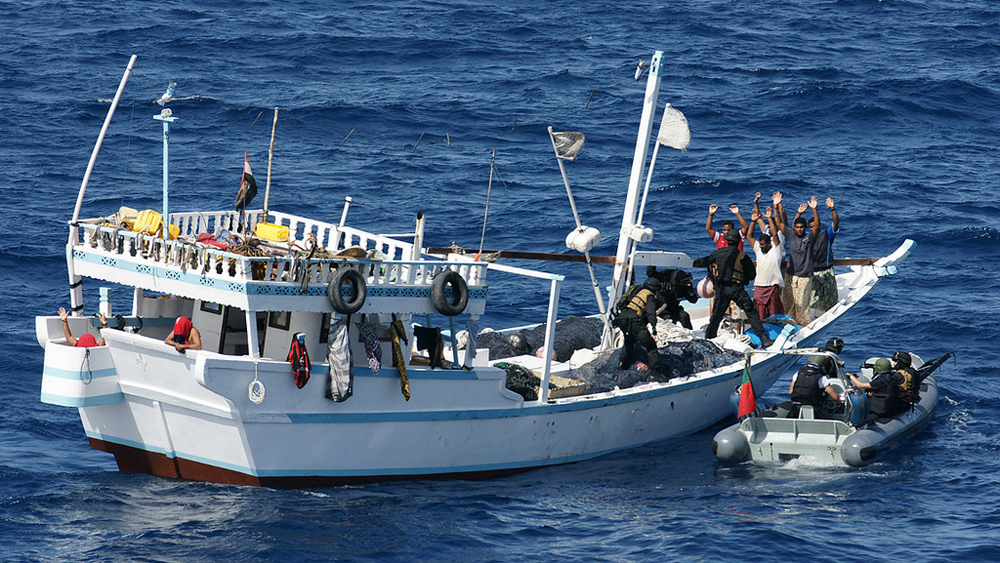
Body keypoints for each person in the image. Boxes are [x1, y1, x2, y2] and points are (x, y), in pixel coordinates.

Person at [695, 229, 774, 348]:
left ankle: (709, 338)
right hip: (736, 289)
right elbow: (752, 274)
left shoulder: (718, 253)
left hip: (721, 289)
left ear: (726, 241)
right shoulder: (742, 256)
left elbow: (705, 261)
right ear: (738, 242)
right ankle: (764, 339)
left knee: (716, 315)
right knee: (751, 312)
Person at [774, 192, 821, 326]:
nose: (799, 229)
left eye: (802, 228)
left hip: (805, 276)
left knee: (802, 303)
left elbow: (817, 227)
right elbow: (778, 222)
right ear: (794, 228)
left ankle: (804, 325)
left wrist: (814, 209)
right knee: (788, 302)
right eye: (797, 227)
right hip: (791, 274)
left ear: (805, 228)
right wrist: (776, 206)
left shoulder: (809, 238)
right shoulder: (791, 235)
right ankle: (788, 324)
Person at [617, 277, 663, 376]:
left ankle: (622, 367)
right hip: (633, 322)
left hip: (622, 320)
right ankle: (655, 374)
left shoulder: (637, 291)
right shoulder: (649, 295)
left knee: (629, 342)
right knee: (651, 346)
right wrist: (654, 327)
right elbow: (651, 313)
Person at [746, 206, 785, 321]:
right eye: (761, 244)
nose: (761, 246)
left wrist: (769, 219)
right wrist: (753, 221)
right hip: (759, 286)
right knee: (760, 315)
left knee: (774, 313)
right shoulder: (758, 250)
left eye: (763, 244)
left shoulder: (776, 250)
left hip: (772, 286)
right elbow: (749, 236)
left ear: (769, 244)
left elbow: (774, 235)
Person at [809, 197, 841, 313]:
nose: (813, 228)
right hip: (813, 272)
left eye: (815, 226)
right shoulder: (807, 238)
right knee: (813, 301)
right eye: (811, 227)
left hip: (827, 271)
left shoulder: (826, 235)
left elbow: (836, 223)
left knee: (831, 301)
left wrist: (832, 209)